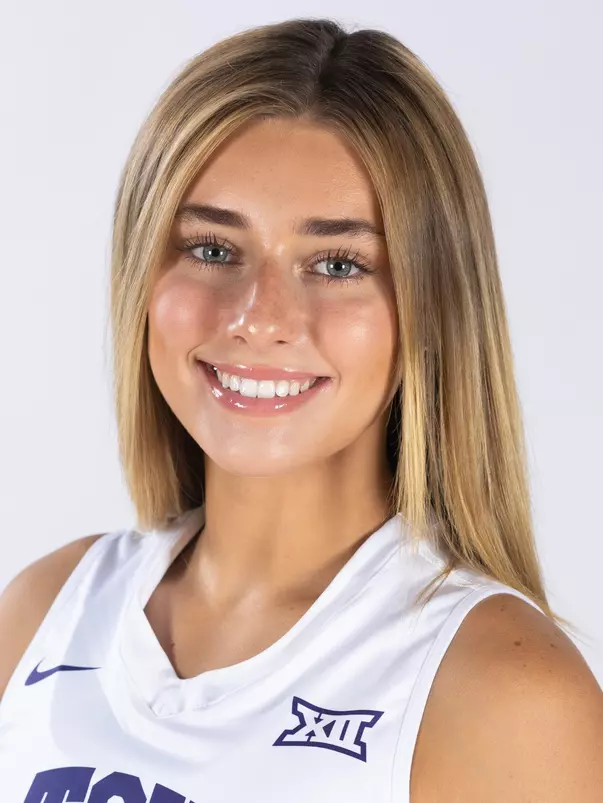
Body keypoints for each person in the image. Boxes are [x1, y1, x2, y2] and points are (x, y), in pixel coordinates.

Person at [0, 16, 601, 803]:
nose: (258, 315)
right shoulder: (47, 608)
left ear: (433, 305)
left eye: (338, 262)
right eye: (213, 248)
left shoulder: (501, 694)